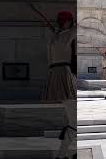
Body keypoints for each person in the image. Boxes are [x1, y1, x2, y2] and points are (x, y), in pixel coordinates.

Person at [33, 9, 77, 159]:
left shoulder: (54, 39)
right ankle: (64, 154)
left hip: (55, 75)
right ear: (67, 22)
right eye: (70, 21)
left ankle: (66, 154)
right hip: (63, 75)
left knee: (74, 120)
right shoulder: (66, 35)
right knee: (74, 122)